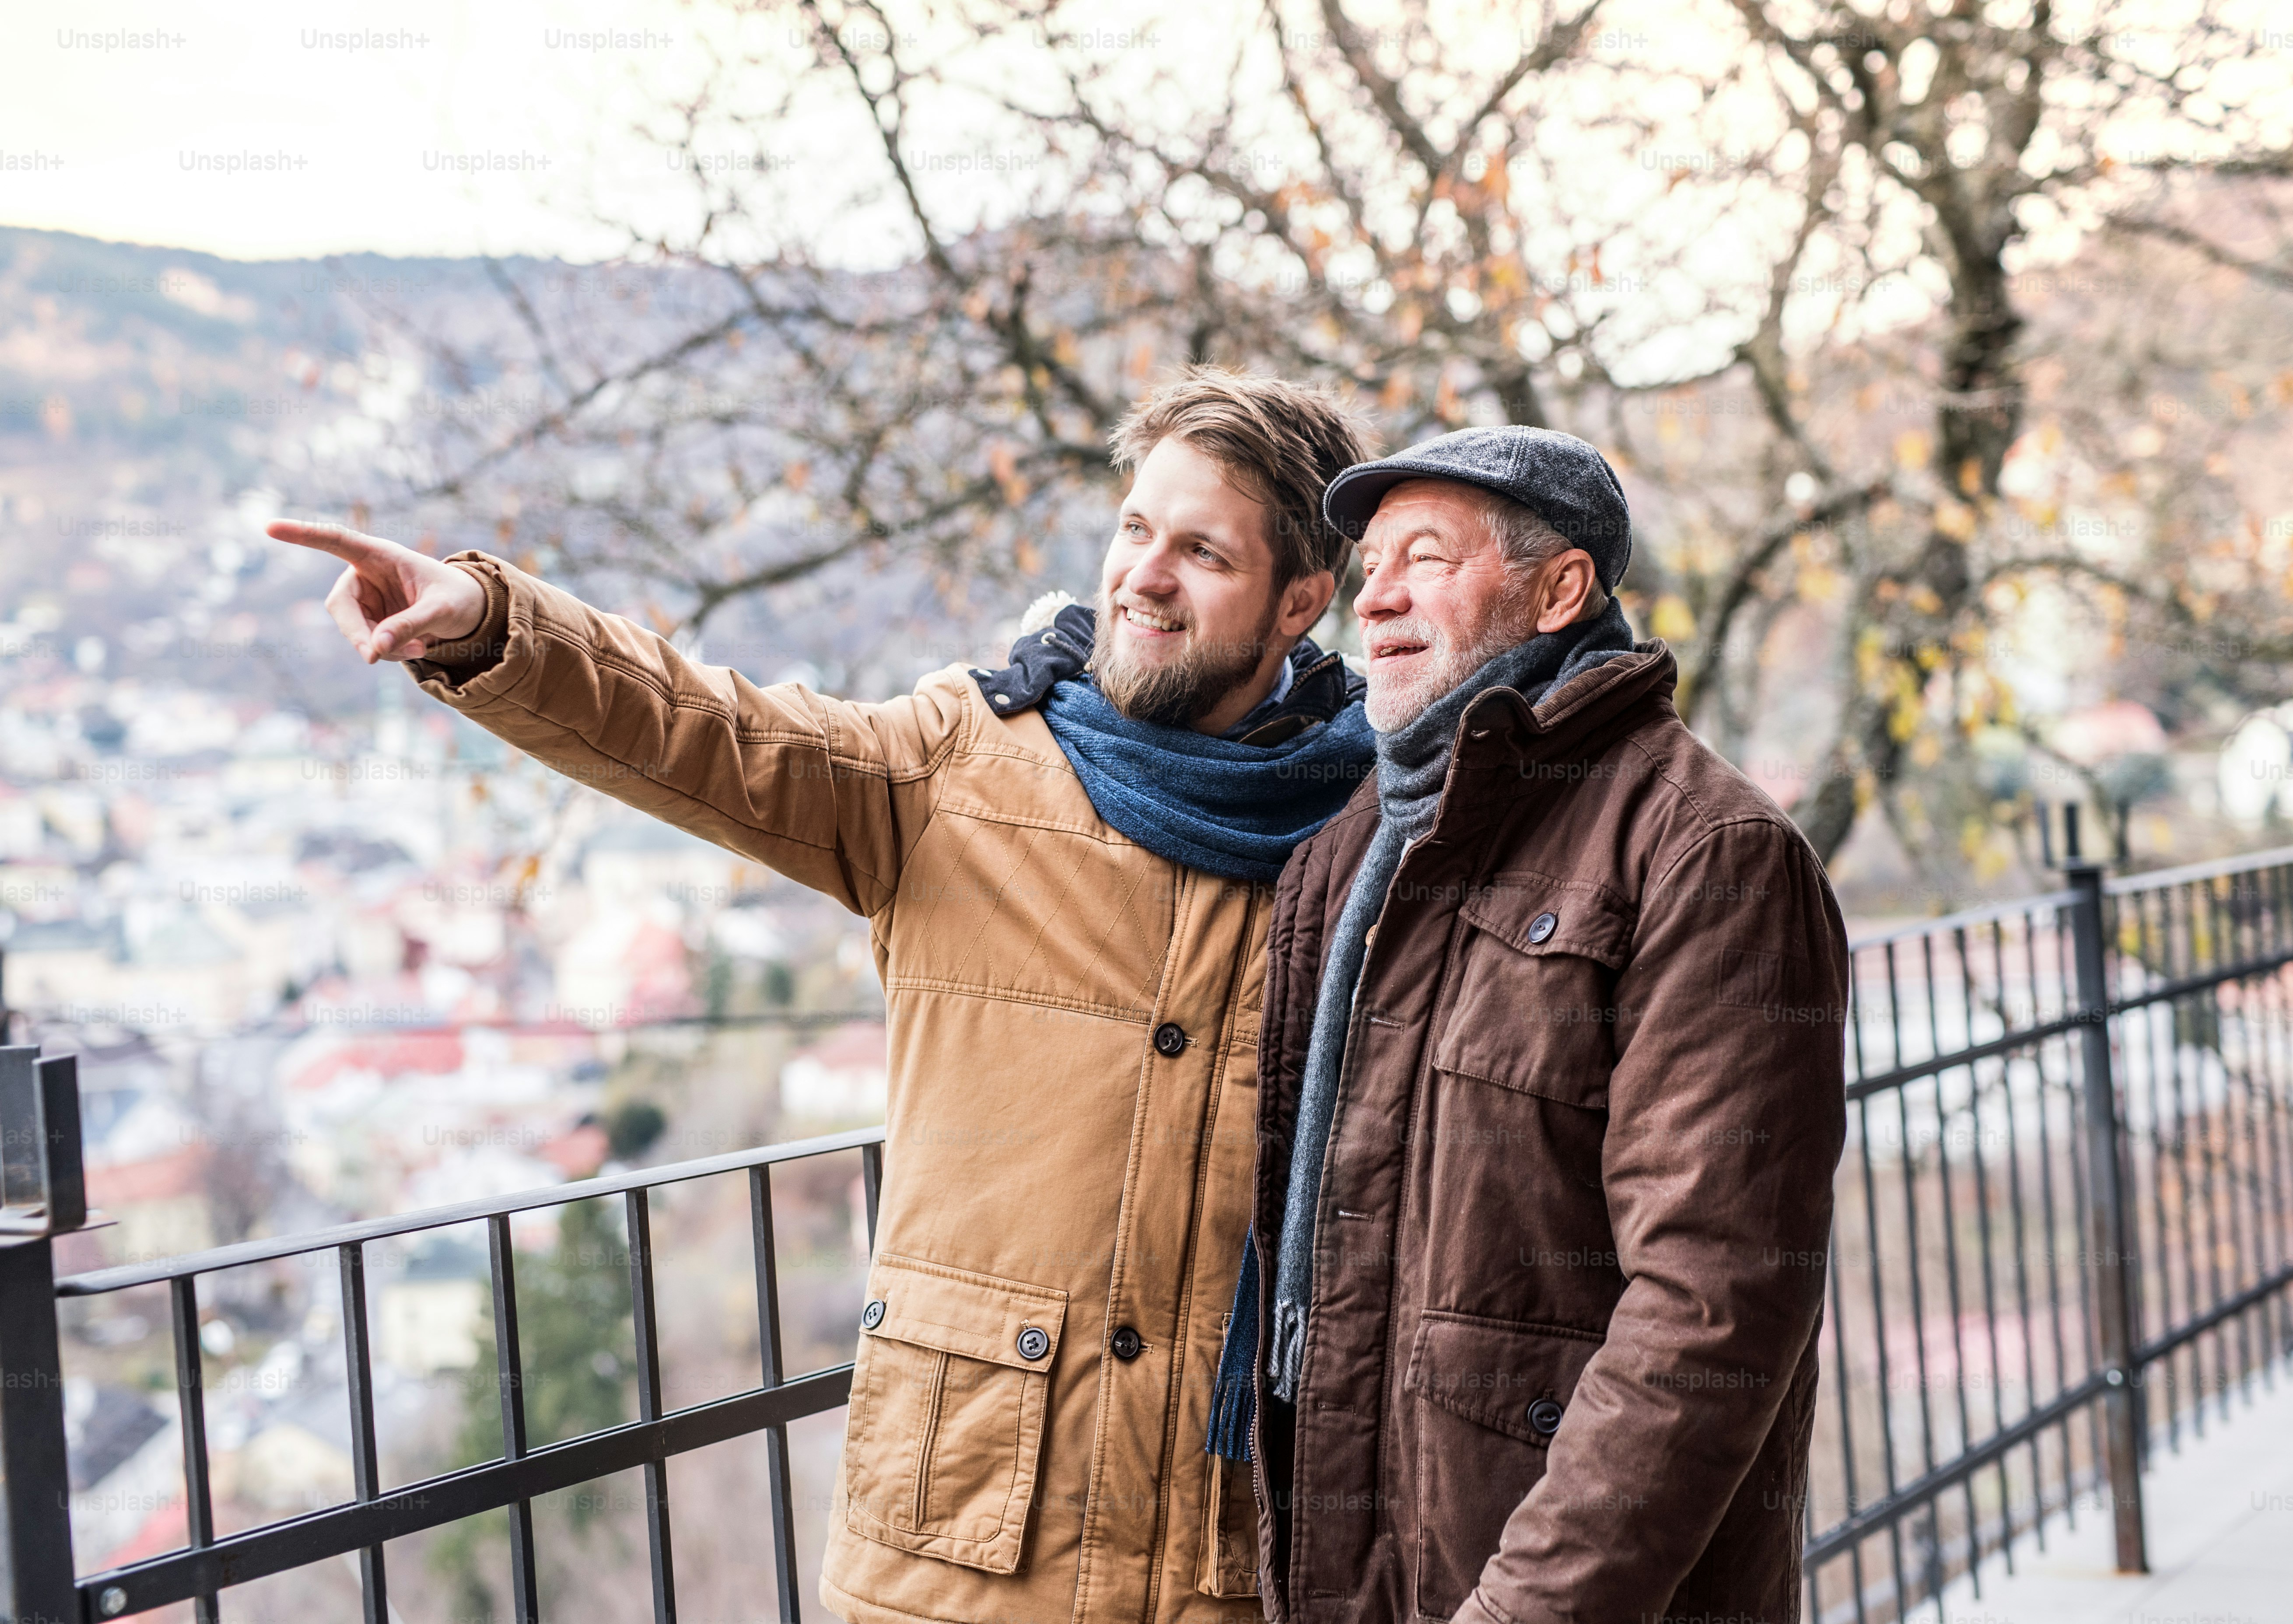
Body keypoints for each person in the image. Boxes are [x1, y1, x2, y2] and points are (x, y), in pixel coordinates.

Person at [270, 368, 1376, 1624]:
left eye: (1202, 553)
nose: (1145, 575)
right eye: (1134, 528)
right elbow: (707, 731)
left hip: (1232, 1565)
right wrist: (492, 625)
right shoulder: (959, 764)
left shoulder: (1367, 833)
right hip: (966, 1546)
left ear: (1301, 600)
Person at [1217, 427, 1848, 1623]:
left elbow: (1712, 1309)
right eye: (1369, 567)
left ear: (1561, 591)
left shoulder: (1707, 851)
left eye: (1428, 559)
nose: (1379, 595)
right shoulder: (1348, 854)